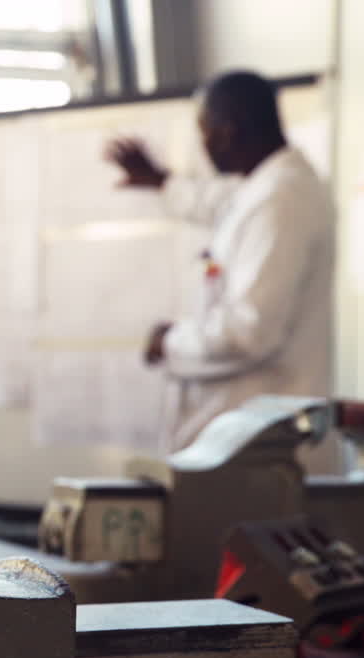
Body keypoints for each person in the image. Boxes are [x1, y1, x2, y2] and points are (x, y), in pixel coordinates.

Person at [107, 70, 334, 452]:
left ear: (226, 132)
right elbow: (219, 205)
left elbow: (248, 334)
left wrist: (171, 342)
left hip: (257, 442)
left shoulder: (282, 199)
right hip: (243, 437)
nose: (205, 143)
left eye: (205, 131)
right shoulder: (265, 188)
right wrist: (161, 181)